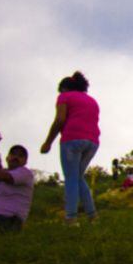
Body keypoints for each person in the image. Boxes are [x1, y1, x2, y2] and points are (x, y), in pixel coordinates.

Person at [40, 71, 100, 225]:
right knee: (78, 177)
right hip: (92, 142)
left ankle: (71, 217)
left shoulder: (64, 97)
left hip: (72, 140)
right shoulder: (92, 101)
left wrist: (48, 142)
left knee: (71, 178)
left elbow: (60, 119)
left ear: (64, 88)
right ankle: (92, 216)